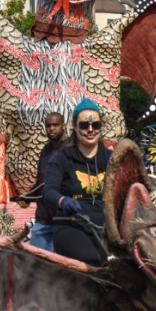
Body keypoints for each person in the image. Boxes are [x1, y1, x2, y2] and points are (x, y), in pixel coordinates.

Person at [44, 99, 112, 268]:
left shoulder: (112, 158)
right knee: (92, 263)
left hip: (107, 228)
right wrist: (63, 201)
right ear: (74, 126)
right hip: (72, 225)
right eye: (84, 125)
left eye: (95, 125)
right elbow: (49, 191)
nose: (90, 130)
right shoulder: (61, 158)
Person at [29, 112, 67, 251]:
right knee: (36, 268)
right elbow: (42, 181)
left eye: (55, 125)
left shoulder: (71, 149)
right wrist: (27, 197)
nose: (51, 128)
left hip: (64, 220)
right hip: (43, 219)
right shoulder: (45, 150)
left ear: (64, 126)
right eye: (48, 125)